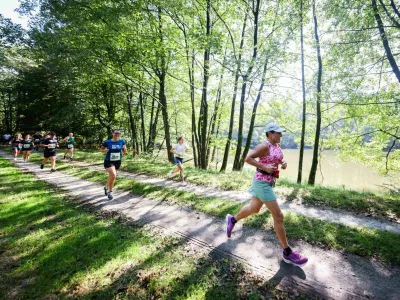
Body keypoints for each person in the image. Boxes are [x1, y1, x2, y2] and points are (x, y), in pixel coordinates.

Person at [225, 122, 308, 268]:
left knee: (254, 208)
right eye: (278, 133)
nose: (281, 135)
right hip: (262, 183)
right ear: (270, 133)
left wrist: (283, 162)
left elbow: (277, 158)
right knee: (278, 216)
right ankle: (287, 252)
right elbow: (248, 158)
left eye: (281, 132)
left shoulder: (276, 145)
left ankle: (232, 220)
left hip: (267, 183)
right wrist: (263, 167)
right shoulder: (264, 146)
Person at [100, 129, 127, 200]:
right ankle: (110, 192)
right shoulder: (107, 142)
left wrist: (124, 151)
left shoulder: (122, 141)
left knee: (112, 176)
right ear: (112, 133)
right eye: (116, 133)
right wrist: (104, 150)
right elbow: (101, 149)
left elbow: (124, 151)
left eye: (119, 133)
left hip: (117, 161)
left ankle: (106, 187)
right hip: (108, 161)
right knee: (114, 175)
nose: (117, 134)